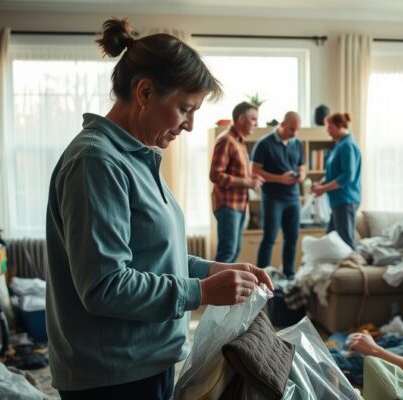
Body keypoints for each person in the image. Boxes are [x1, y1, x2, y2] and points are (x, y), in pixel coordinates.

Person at [45, 19, 273, 400]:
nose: (189, 125)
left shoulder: (137, 158)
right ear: (145, 92)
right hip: (113, 377)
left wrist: (217, 270)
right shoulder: (96, 163)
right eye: (185, 108)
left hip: (146, 361)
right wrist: (201, 291)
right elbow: (105, 286)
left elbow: (154, 257)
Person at [251, 111, 306, 278]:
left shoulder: (297, 143)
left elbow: (302, 166)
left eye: (297, 130)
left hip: (293, 198)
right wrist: (280, 179)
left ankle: (288, 275)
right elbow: (255, 171)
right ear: (282, 124)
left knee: (292, 238)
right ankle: (261, 277)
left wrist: (301, 176)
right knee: (269, 238)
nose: (294, 133)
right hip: (273, 198)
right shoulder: (264, 144)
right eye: (291, 129)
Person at [210, 102, 265, 263]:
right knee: (227, 253)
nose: (257, 123)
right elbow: (215, 175)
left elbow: (237, 173)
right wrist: (247, 182)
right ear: (241, 119)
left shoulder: (239, 142)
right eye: (253, 119)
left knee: (234, 253)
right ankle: (213, 288)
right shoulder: (226, 140)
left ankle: (225, 288)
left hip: (239, 205)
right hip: (228, 205)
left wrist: (252, 180)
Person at [312, 112, 361, 249]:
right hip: (338, 201)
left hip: (346, 200)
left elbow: (348, 176)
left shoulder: (347, 145)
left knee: (345, 242)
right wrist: (320, 184)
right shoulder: (339, 145)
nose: (327, 131)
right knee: (331, 240)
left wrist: (323, 189)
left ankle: (354, 268)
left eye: (330, 127)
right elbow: (333, 174)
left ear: (340, 126)